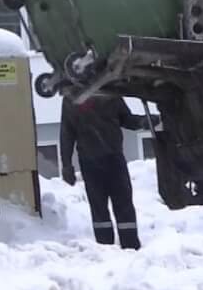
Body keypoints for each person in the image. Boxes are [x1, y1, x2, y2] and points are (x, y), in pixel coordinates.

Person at [60, 93, 155, 249]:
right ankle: (105, 247)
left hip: (114, 158)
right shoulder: (72, 97)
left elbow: (126, 119)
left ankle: (130, 245)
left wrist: (144, 121)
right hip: (90, 162)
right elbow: (67, 133)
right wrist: (66, 165)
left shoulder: (111, 93)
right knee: (98, 207)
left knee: (124, 203)